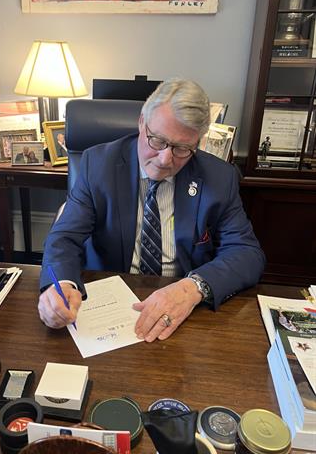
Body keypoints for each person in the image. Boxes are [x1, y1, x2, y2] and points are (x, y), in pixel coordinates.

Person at [39, 78, 265, 342]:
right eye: (157, 140)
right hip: (109, 307)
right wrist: (62, 284)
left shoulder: (219, 178)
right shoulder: (97, 164)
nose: (165, 159)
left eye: (182, 148)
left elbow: (247, 253)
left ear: (197, 143)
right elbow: (64, 237)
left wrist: (192, 288)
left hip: (183, 310)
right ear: (141, 123)